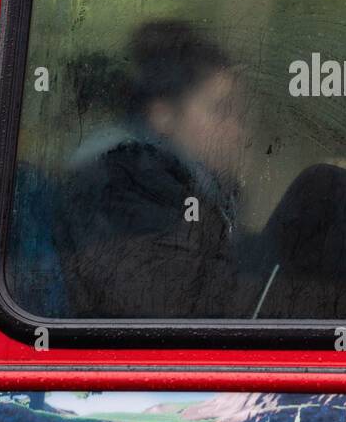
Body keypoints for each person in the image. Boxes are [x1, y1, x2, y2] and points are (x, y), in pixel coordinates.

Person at [52, 20, 248, 318]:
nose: (237, 131)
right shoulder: (124, 184)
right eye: (222, 111)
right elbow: (173, 302)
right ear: (163, 115)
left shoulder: (191, 186)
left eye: (239, 114)